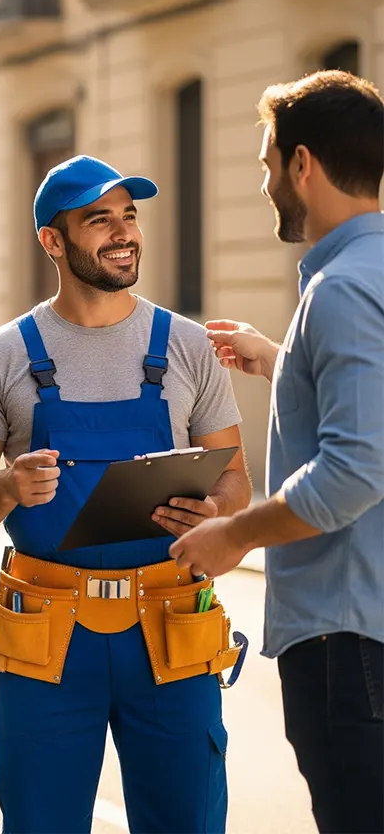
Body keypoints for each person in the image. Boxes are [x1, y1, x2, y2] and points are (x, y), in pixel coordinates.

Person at [0, 155, 252, 834]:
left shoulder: (188, 346)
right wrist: (4, 486)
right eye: (99, 219)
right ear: (52, 241)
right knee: (40, 820)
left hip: (171, 621)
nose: (123, 233)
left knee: (186, 820)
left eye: (129, 216)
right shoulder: (1, 355)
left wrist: (215, 512)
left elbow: (235, 480)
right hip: (45, 632)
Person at [170, 70, 384, 834]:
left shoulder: (342, 291)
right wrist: (283, 359)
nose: (265, 185)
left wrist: (234, 534)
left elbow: (354, 471)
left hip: (348, 641)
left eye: (268, 164)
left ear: (302, 164)